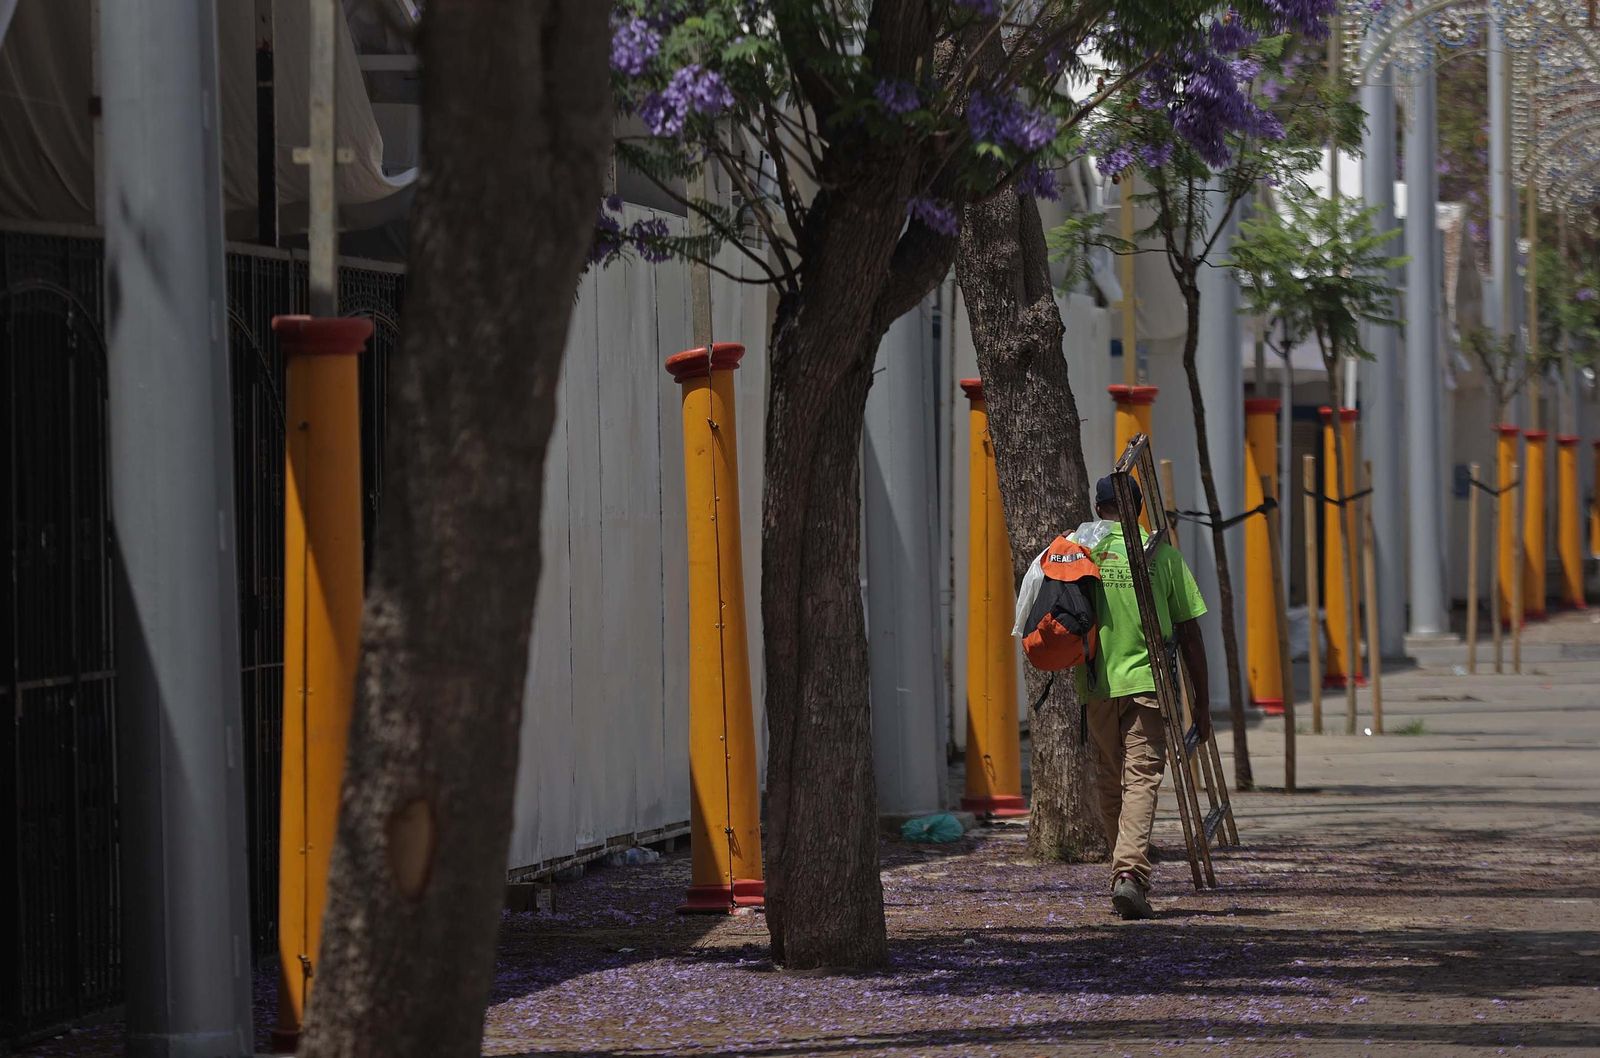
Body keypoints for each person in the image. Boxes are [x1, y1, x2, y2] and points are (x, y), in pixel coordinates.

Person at [1079, 474, 1209, 920]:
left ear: (1100, 509)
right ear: (1137, 508)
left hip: (1095, 685)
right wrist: (1203, 703)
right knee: (1141, 778)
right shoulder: (1163, 555)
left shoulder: (1083, 552)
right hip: (1150, 684)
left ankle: (1124, 870)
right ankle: (1130, 875)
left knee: (1111, 780)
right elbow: (1191, 635)